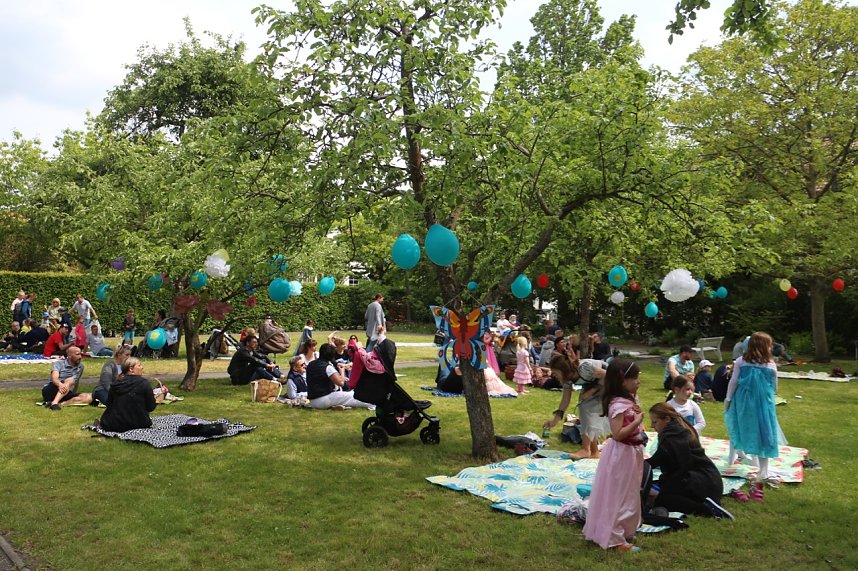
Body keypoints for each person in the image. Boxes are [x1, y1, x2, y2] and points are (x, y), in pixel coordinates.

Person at [582, 359, 645, 552]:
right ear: (623, 381)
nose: (638, 382)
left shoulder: (628, 399)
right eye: (635, 378)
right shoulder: (618, 404)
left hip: (632, 452)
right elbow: (618, 434)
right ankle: (615, 538)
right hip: (622, 453)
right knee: (620, 494)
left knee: (630, 492)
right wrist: (637, 422)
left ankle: (624, 530)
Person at [647, 403, 734, 520]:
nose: (652, 426)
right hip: (710, 481)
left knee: (662, 499)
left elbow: (655, 461)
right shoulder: (680, 431)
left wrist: (633, 465)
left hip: (701, 483)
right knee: (662, 490)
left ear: (667, 419)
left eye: (655, 422)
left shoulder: (672, 437)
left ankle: (708, 511)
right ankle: (708, 505)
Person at [724, 331, 782, 500]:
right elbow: (774, 384)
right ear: (764, 347)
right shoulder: (770, 364)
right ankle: (763, 469)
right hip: (763, 403)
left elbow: (733, 382)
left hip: (744, 402)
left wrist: (728, 398)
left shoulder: (741, 361)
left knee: (747, 428)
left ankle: (748, 459)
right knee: (765, 433)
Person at [543, 355, 610, 459]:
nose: (554, 375)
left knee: (588, 411)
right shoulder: (568, 379)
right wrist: (554, 421)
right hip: (593, 386)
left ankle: (586, 449)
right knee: (585, 410)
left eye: (556, 373)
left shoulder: (585, 367)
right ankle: (593, 451)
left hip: (609, 383)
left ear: (563, 370)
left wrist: (592, 391)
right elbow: (565, 399)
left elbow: (607, 376)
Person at [307, 343, 375, 409]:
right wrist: (342, 372)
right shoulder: (327, 367)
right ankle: (372, 404)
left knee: (343, 396)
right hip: (323, 399)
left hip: (312, 400)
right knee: (352, 395)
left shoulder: (311, 364)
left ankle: (335, 406)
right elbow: (341, 383)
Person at [98, 358, 157, 432]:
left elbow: (109, 404)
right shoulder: (144, 383)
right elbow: (151, 407)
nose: (142, 367)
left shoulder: (115, 384)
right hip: (138, 424)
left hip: (113, 424)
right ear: (131, 369)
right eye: (139, 365)